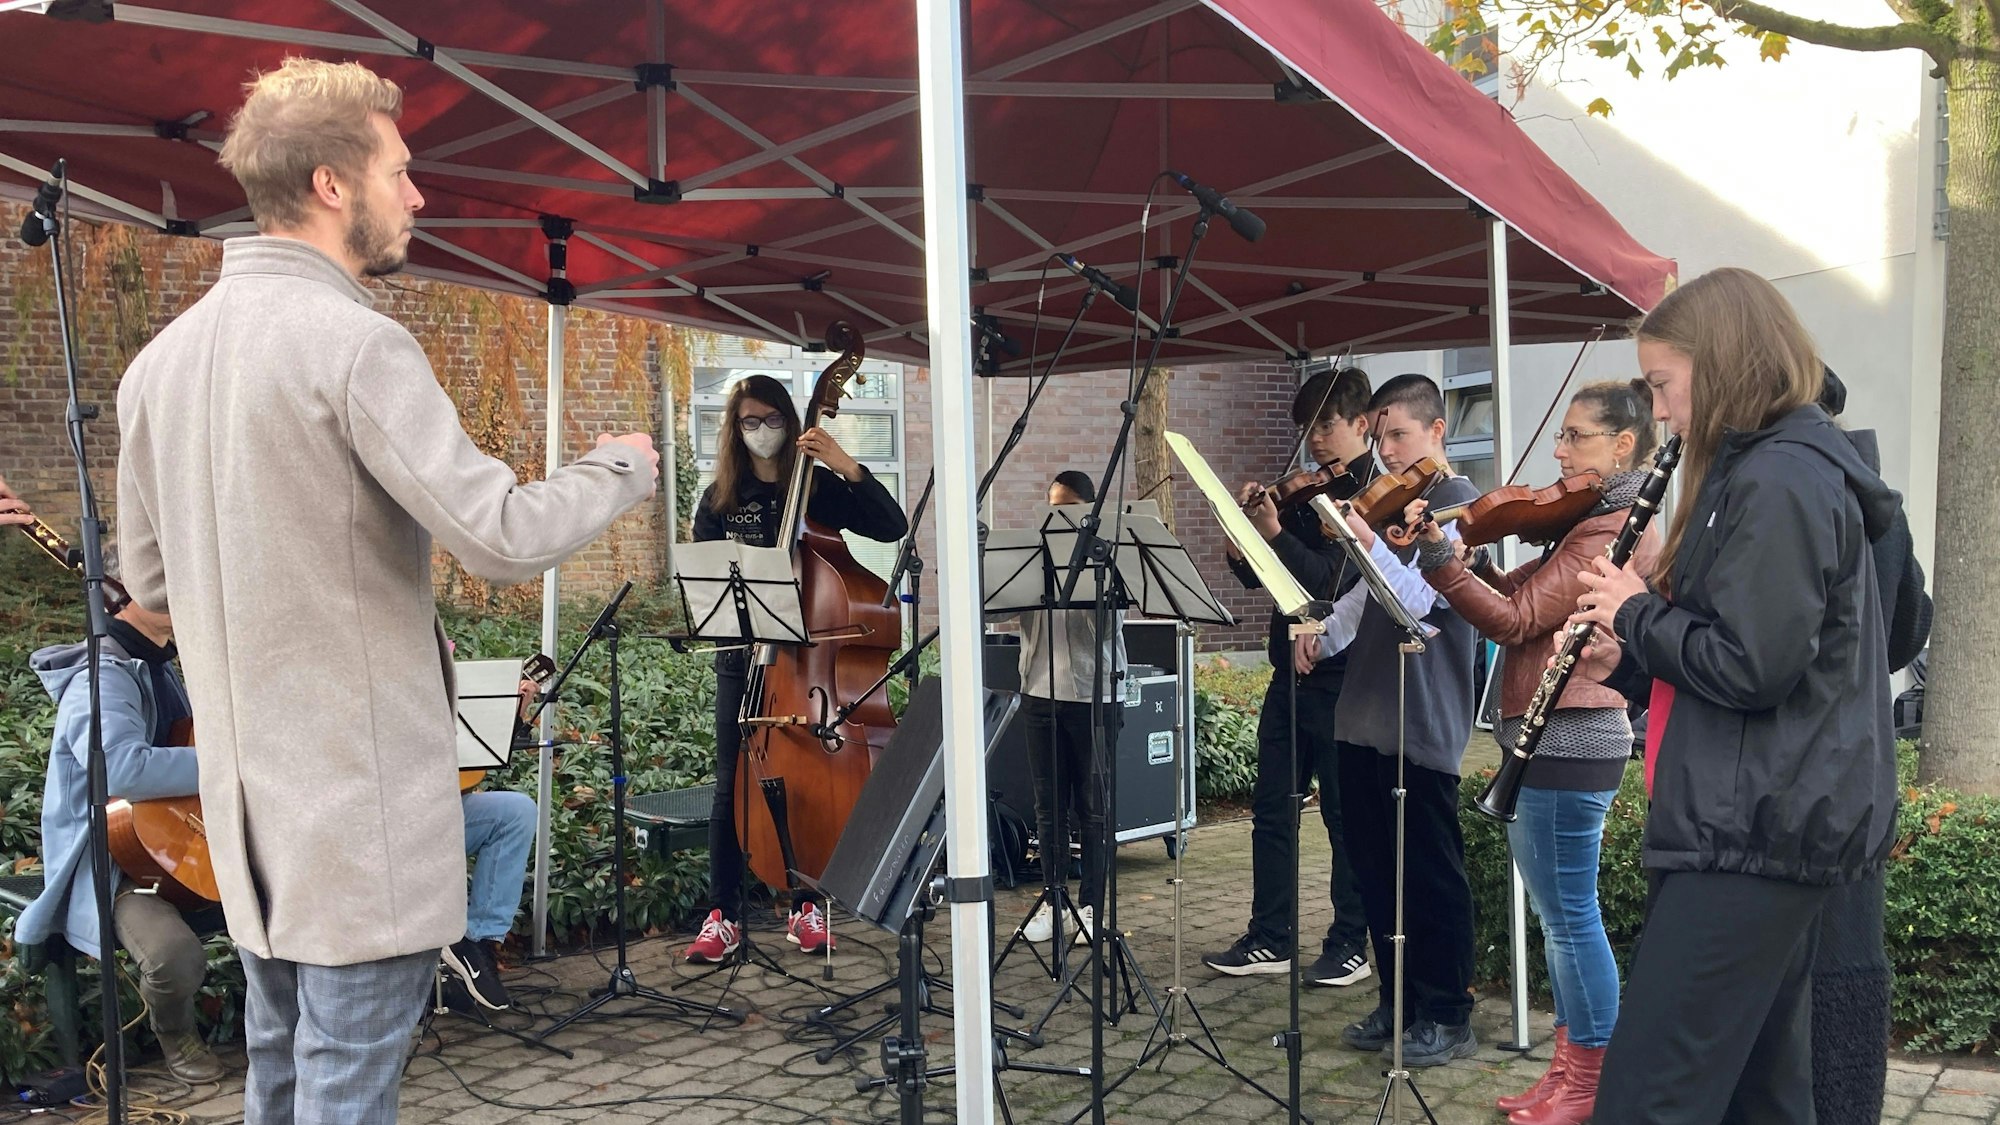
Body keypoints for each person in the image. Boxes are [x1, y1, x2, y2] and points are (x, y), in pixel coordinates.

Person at [114, 57, 659, 1125]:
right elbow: (499, 537)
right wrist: (617, 468)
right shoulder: (358, 344)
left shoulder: (156, 367)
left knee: (281, 1077)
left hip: (248, 825)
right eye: (400, 171)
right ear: (330, 182)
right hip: (356, 824)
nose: (416, 196)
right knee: (347, 1093)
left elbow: (150, 580)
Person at [1564, 267, 1899, 1123]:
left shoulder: (1781, 475)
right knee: (1761, 1098)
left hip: (1753, 832)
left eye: (1665, 385)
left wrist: (1637, 612)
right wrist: (1632, 654)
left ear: (1723, 364)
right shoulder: (1774, 466)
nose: (1662, 410)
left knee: (1647, 1099)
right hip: (1761, 822)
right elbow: (1751, 653)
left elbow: (1755, 665)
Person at [1407, 381, 1662, 1122]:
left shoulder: (1613, 523)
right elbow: (1515, 586)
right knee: (1561, 918)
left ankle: (1589, 1077)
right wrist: (1447, 555)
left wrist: (1445, 566)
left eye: (1576, 436)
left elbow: (1516, 619)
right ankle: (1569, 1066)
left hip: (1569, 734)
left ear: (1622, 445)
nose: (1558, 450)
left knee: (1570, 917)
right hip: (1555, 735)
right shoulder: (1592, 516)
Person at [684, 374, 908, 963]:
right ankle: (723, 914)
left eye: (771, 420)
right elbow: (709, 585)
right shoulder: (718, 502)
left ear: (791, 421)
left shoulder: (818, 488)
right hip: (744, 660)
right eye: (749, 422)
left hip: (809, 663)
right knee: (731, 783)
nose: (761, 431)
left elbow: (892, 526)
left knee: (810, 782)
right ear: (735, 430)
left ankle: (807, 905)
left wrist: (845, 463)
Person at [1295, 373, 1483, 1067]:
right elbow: (1366, 601)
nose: (1389, 450)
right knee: (1375, 868)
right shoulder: (1391, 504)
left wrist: (1369, 544)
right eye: (1381, 437)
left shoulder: (1462, 507)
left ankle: (1449, 1010)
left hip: (1422, 716)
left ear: (1438, 431)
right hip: (1364, 713)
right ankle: (1398, 1001)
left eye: (1400, 434)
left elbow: (1426, 603)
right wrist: (1325, 630)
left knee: (1431, 873)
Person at [1203, 366, 1378, 984]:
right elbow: (1267, 581)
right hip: (1290, 672)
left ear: (1362, 423)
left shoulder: (1373, 498)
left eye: (1326, 425)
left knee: (1341, 813)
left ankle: (1350, 941)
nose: (1316, 441)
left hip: (1344, 675)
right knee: (1272, 807)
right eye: (1308, 427)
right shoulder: (1305, 493)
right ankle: (1269, 936)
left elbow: (1332, 579)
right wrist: (1243, 546)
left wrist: (1275, 533)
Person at [17, 569, 222, 1084]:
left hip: (182, 840)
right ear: (123, 598)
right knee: (173, 956)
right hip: (115, 859)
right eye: (168, 585)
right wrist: (230, 763)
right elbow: (122, 768)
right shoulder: (103, 675)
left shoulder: (160, 665)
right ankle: (175, 1034)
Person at [1805, 364, 1933, 1125]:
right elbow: (1908, 629)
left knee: (1818, 977)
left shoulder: (1798, 486)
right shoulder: (1874, 489)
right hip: (1861, 767)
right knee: (1849, 964)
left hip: (1810, 769)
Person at [1003, 470, 1126, 945]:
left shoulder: (1107, 559)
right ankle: (1054, 903)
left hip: (1094, 696)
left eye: (1069, 508)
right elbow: (994, 609)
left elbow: (1106, 632)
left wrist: (1082, 575)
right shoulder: (1036, 555)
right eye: (1053, 507)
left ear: (1089, 513)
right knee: (1048, 808)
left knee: (1094, 810)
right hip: (1038, 692)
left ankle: (1093, 906)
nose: (1059, 517)